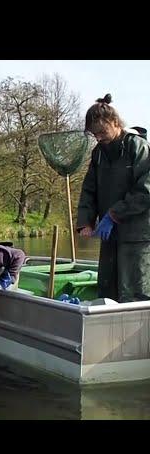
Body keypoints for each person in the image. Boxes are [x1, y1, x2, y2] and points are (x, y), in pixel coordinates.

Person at [77, 94, 150, 303]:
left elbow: (145, 190)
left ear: (115, 123)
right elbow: (89, 189)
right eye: (94, 134)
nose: (98, 137)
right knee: (108, 288)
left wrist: (114, 214)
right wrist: (86, 221)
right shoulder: (98, 153)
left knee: (136, 290)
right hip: (110, 235)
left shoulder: (139, 147)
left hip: (138, 234)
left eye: (101, 132)